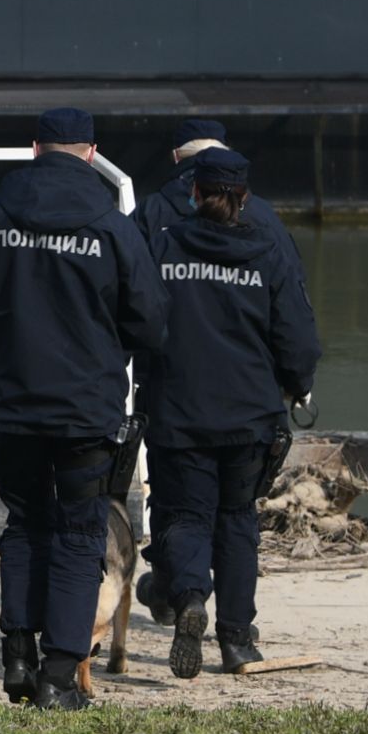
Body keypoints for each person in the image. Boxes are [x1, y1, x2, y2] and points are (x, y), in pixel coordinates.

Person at [0, 109, 164, 712]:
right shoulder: (112, 227)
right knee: (78, 535)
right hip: (85, 411)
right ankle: (61, 677)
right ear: (91, 153)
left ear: (36, 148)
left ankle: (17, 652)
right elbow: (150, 321)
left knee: (24, 524)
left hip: (12, 406)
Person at [130, 146, 318, 680]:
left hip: (177, 410)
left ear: (193, 192)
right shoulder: (268, 252)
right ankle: (237, 641)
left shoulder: (162, 249)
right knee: (237, 522)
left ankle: (191, 598)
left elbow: (137, 319)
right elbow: (299, 339)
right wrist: (296, 386)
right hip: (251, 415)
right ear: (244, 199)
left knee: (186, 515)